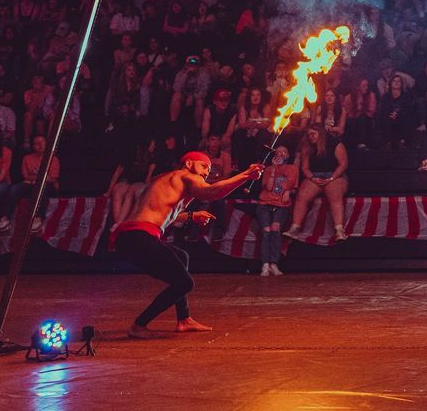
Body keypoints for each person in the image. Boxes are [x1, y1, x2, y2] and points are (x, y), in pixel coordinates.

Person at [112, 151, 262, 338]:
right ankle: (138, 326)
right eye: (204, 166)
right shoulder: (185, 175)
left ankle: (184, 320)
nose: (207, 172)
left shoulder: (165, 181)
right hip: (139, 236)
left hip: (129, 238)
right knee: (184, 283)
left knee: (182, 257)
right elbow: (211, 192)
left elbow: (162, 214)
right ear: (189, 163)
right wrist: (245, 175)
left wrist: (192, 216)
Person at [291, 125, 350, 242]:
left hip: (335, 175)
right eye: (308, 135)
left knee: (334, 193)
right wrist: (313, 178)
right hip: (315, 175)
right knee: (302, 195)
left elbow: (343, 164)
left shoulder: (335, 143)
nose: (310, 137)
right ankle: (294, 228)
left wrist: (332, 178)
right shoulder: (307, 147)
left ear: (321, 134)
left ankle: (339, 230)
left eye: (313, 134)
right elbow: (305, 168)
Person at [256, 144, 298, 276]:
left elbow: (293, 186)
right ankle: (265, 264)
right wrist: (273, 169)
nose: (280, 154)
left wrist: (289, 191)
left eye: (283, 152)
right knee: (266, 231)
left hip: (281, 205)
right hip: (265, 203)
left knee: (275, 230)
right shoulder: (268, 169)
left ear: (288, 155)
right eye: (278, 152)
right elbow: (268, 188)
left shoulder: (292, 168)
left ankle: (274, 263)